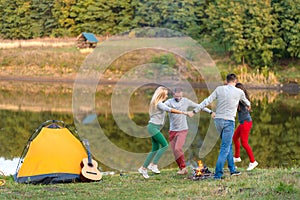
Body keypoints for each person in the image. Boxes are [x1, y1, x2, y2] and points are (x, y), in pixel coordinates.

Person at [193, 73, 251, 179]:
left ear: (226, 81)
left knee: (227, 144)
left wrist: (196, 110)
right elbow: (247, 102)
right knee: (225, 147)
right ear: (235, 81)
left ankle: (232, 170)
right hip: (229, 121)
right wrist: (248, 105)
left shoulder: (219, 89)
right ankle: (218, 174)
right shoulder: (239, 91)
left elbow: (207, 101)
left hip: (218, 121)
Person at [138, 86, 193, 179]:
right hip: (153, 128)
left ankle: (143, 168)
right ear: (162, 95)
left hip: (153, 127)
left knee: (155, 149)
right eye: (166, 94)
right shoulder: (159, 104)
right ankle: (153, 165)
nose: (167, 96)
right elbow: (170, 110)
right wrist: (185, 113)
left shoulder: (156, 103)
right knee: (165, 145)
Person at [164, 87, 214, 175]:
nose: (178, 98)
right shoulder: (169, 102)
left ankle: (183, 167)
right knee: (175, 152)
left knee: (178, 148)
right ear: (173, 95)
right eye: (177, 97)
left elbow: (199, 106)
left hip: (182, 130)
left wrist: (210, 111)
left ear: (182, 94)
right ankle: (181, 169)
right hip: (172, 130)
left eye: (180, 96)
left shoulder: (186, 101)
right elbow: (162, 106)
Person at [233, 83, 258, 171]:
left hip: (246, 123)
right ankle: (237, 156)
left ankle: (253, 161)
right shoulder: (240, 99)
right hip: (243, 122)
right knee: (235, 138)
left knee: (244, 142)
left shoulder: (242, 99)